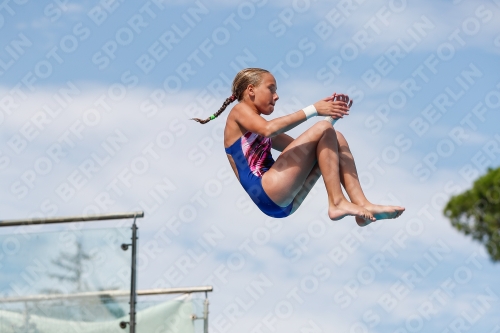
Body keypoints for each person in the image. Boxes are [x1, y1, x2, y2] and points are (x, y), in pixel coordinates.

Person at [193, 68, 404, 226]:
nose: (276, 96)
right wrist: (314, 110)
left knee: (334, 136)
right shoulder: (239, 112)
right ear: (251, 90)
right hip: (269, 189)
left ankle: (361, 204)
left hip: (284, 204)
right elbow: (269, 129)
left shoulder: (257, 129)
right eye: (271, 89)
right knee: (321, 128)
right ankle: (337, 201)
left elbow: (304, 148)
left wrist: (330, 120)